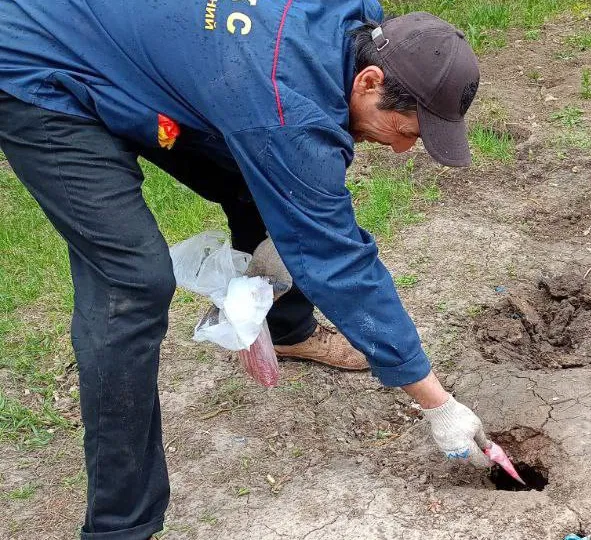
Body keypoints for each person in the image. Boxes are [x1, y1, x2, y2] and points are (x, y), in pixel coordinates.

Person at [0, 1, 492, 538]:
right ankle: (121, 527)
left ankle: (288, 331)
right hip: (39, 60)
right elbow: (341, 263)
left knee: (269, 178)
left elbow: (296, 172)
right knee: (132, 282)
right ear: (370, 80)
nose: (400, 150)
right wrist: (437, 405)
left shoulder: (357, 22)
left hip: (145, 51)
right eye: (407, 131)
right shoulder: (283, 106)